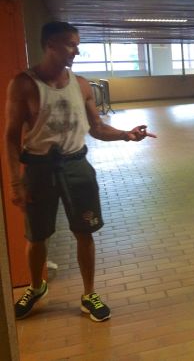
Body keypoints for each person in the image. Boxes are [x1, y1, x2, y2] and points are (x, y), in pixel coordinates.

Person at [4, 21, 157, 322]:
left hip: (77, 167)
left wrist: (126, 134)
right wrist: (14, 182)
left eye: (77, 44)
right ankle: (36, 287)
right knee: (36, 236)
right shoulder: (24, 84)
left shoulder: (82, 85)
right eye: (71, 44)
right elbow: (10, 137)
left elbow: (96, 128)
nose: (76, 50)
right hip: (38, 169)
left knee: (84, 232)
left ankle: (89, 294)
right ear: (50, 45)